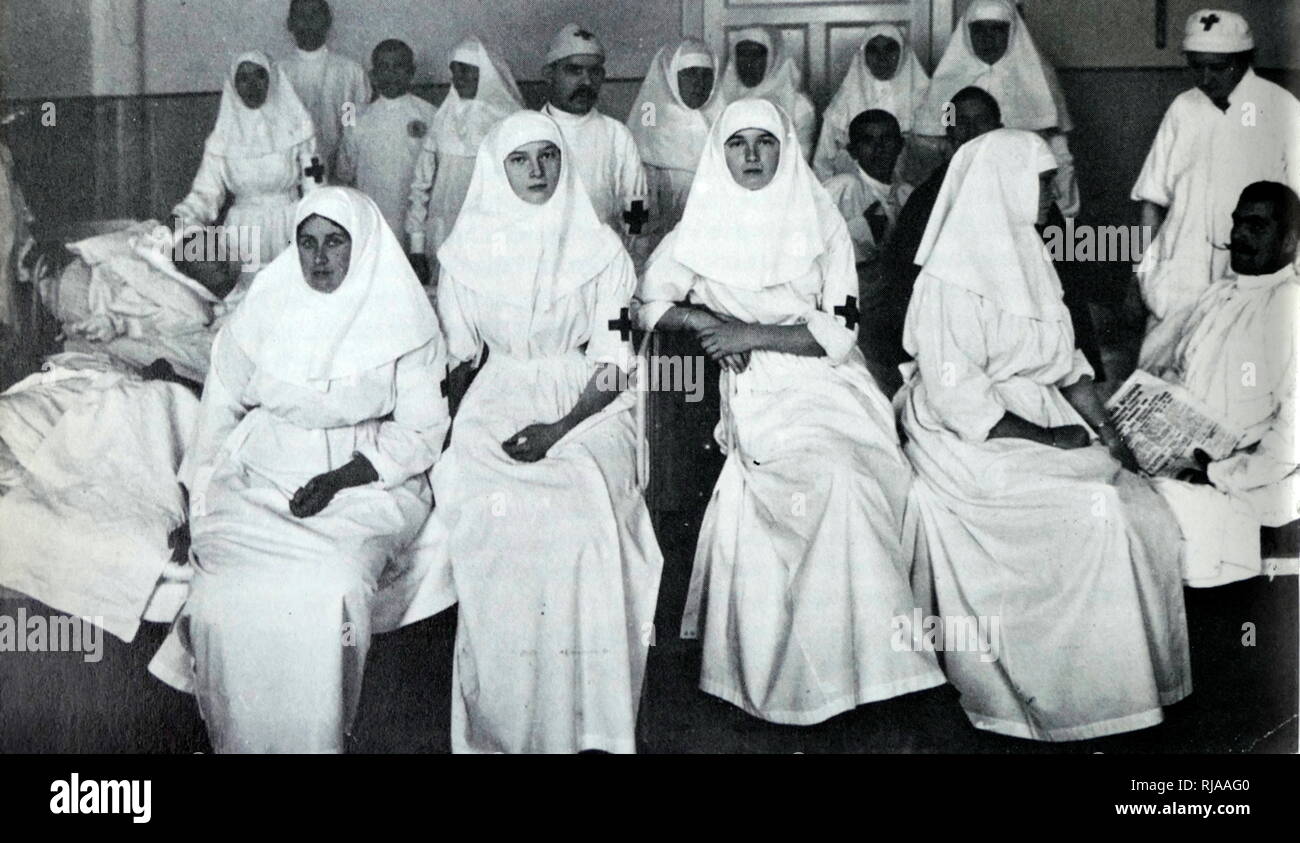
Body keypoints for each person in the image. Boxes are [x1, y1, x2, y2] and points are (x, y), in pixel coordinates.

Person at [638, 99, 945, 726]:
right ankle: (815, 677)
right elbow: (648, 303)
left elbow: (839, 333)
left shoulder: (821, 219)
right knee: (831, 480)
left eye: (765, 142)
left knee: (860, 474)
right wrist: (708, 321)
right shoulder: (698, 224)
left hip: (830, 381)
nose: (752, 156)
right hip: (759, 391)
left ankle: (869, 669)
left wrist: (750, 335)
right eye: (738, 143)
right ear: (719, 153)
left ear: (785, 148)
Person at [897, 129, 1190, 741]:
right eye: (1042, 181)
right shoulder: (948, 280)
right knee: (1094, 512)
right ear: (1002, 184)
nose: (1054, 193)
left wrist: (1110, 431)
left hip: (1040, 414)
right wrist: (1049, 437)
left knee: (1142, 508)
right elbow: (958, 397)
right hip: (968, 433)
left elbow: (1069, 366)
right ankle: (1077, 698)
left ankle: (1130, 687)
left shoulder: (1033, 256)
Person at [148, 187, 450, 753]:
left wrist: (342, 478)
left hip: (363, 477)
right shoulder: (265, 303)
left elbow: (422, 431)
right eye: (307, 242)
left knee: (329, 587)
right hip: (262, 468)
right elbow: (218, 412)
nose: (318, 258)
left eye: (334, 242)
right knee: (218, 596)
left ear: (359, 245)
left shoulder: (403, 318)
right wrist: (199, 501)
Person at [416, 111, 663, 753]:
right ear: (499, 171)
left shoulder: (603, 253)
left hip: (586, 403)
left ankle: (590, 723)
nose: (536, 172)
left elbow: (614, 363)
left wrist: (558, 429)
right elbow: (458, 364)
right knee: (502, 529)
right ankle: (507, 724)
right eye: (521, 161)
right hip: (497, 398)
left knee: (581, 524)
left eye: (548, 158)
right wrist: (447, 443)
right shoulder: (465, 256)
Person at [867, 87, 1102, 394]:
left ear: (1000, 130)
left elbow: (1066, 284)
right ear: (948, 135)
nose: (970, 130)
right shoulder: (926, 199)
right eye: (960, 122)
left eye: (981, 121)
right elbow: (904, 285)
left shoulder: (1031, 197)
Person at [1148, 182, 1300, 587]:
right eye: (1236, 223)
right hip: (1184, 464)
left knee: (1137, 519)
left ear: (1289, 241)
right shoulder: (1214, 298)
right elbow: (1176, 375)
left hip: (1246, 484)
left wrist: (1218, 474)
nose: (1238, 235)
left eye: (1255, 225)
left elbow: (1291, 438)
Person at [1131, 9, 1300, 372]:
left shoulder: (1279, 108)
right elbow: (1152, 198)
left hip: (1248, 270)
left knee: (1233, 374)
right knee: (1160, 370)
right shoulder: (1184, 108)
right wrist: (1142, 269)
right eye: (1196, 66)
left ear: (1244, 60)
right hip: (1181, 269)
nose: (1205, 78)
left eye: (1218, 68)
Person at [911, 0, 1078, 216]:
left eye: (997, 29)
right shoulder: (946, 85)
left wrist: (1065, 210)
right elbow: (936, 137)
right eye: (978, 29)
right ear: (966, 33)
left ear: (1011, 32)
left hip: (1020, 196)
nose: (987, 38)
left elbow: (1058, 152)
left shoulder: (1038, 79)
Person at [171, 52, 319, 268]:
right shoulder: (221, 140)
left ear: (272, 80)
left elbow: (317, 186)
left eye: (259, 76)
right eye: (243, 78)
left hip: (290, 226)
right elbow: (205, 194)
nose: (252, 85)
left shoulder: (300, 130)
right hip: (242, 233)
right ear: (234, 85)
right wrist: (182, 217)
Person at [406, 37, 523, 285]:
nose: (457, 77)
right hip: (444, 233)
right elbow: (421, 185)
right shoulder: (442, 119)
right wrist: (417, 245)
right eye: (454, 70)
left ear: (486, 73)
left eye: (466, 69)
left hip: (494, 236)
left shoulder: (511, 121)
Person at [539, 24, 649, 247]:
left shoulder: (616, 134)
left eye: (594, 71)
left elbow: (636, 204)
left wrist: (635, 251)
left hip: (603, 260)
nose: (586, 82)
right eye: (574, 70)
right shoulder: (528, 133)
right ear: (549, 75)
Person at [335, 40, 438, 248]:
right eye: (384, 67)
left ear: (411, 71)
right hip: (372, 214)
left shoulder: (430, 114)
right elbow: (345, 171)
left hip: (416, 217)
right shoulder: (358, 118)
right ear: (373, 74)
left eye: (398, 66)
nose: (391, 74)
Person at [626, 37, 722, 244]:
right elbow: (635, 223)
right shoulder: (649, 121)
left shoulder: (722, 118)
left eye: (707, 75)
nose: (700, 83)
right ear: (669, 77)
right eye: (689, 74)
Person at [813, 24, 929, 181]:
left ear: (902, 52)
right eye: (873, 51)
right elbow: (823, 161)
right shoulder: (843, 102)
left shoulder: (930, 95)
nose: (882, 58)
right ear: (863, 55)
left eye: (890, 49)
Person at [278, 0, 370, 182]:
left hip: (340, 170)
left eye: (315, 15)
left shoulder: (349, 72)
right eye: (301, 16)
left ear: (328, 21)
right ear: (290, 23)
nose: (308, 22)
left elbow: (351, 121)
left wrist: (344, 164)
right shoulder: (278, 73)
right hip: (289, 173)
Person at [821, 109, 911, 265]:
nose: (879, 149)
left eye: (886, 139)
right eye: (868, 141)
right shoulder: (842, 187)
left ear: (900, 145)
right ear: (853, 151)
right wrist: (863, 227)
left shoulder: (907, 194)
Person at [716, 27, 817, 161]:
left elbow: (799, 164)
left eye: (757, 55)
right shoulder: (720, 99)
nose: (748, 63)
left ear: (772, 57)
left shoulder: (799, 107)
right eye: (742, 54)